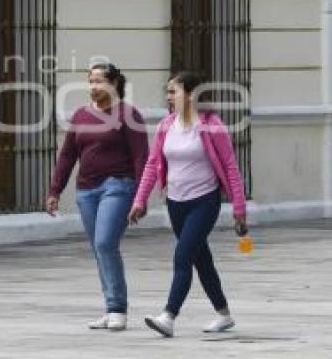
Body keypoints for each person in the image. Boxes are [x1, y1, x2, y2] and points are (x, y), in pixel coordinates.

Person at [128, 71, 248, 338]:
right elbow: (152, 164)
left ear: (191, 94)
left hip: (204, 202)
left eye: (174, 91)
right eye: (168, 92)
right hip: (176, 203)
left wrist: (239, 209)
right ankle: (224, 314)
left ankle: (168, 316)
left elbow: (230, 167)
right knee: (201, 260)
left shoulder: (211, 125)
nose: (169, 96)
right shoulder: (165, 126)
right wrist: (140, 200)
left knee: (183, 255)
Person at [46, 63, 149, 331]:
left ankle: (117, 309)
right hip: (86, 190)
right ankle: (110, 308)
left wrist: (141, 197)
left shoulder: (128, 114)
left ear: (114, 84)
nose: (94, 87)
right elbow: (67, 155)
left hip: (118, 186)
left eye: (99, 81)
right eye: (90, 81)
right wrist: (55, 190)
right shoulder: (81, 115)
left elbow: (141, 157)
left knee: (105, 244)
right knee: (99, 250)